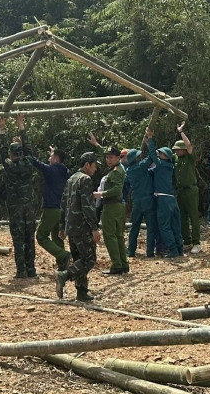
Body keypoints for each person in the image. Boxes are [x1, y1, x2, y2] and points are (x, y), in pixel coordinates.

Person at [0, 113, 38, 279]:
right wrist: (21, 126)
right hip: (29, 206)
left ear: (11, 154)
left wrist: (1, 129)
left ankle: (21, 270)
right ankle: (31, 268)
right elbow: (29, 149)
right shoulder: (28, 163)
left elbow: (1, 152)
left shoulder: (10, 166)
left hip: (15, 208)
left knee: (19, 239)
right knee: (30, 237)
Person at [57, 152, 101, 302]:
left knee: (79, 259)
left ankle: (81, 292)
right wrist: (94, 228)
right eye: (94, 165)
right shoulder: (85, 179)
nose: (95, 169)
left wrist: (62, 226)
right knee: (89, 259)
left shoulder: (71, 179)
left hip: (71, 226)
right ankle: (64, 275)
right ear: (87, 165)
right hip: (82, 226)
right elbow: (88, 206)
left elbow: (63, 203)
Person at [90, 134, 127, 274]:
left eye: (111, 157)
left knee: (110, 236)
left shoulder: (116, 172)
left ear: (118, 158)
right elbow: (106, 151)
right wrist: (96, 144)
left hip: (111, 206)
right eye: (107, 157)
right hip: (116, 206)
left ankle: (117, 265)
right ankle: (123, 264)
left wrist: (101, 194)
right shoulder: (118, 168)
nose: (108, 160)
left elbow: (117, 189)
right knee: (118, 236)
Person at [29, 145, 70, 273]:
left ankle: (63, 255)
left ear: (56, 159)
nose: (49, 158)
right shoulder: (66, 171)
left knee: (41, 236)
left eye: (51, 156)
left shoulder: (51, 171)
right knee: (57, 236)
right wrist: (54, 153)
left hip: (51, 209)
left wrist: (24, 146)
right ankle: (63, 264)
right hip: (61, 209)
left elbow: (35, 161)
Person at [125, 127, 157, 257]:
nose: (141, 156)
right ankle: (149, 252)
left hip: (136, 200)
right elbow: (152, 157)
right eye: (139, 156)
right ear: (136, 159)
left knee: (134, 227)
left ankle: (131, 251)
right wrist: (150, 140)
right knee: (150, 226)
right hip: (147, 199)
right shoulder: (141, 166)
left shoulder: (129, 170)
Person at [149, 142, 183, 257]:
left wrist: (149, 140)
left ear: (166, 156)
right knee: (175, 226)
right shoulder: (169, 166)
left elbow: (152, 155)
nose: (159, 155)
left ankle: (173, 250)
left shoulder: (161, 164)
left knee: (164, 226)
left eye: (161, 153)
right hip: (172, 199)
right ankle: (179, 249)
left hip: (163, 199)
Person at [173, 125, 201, 254]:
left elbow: (189, 145)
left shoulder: (190, 158)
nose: (176, 151)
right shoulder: (176, 159)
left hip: (191, 190)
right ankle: (187, 241)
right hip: (180, 191)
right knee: (182, 217)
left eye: (178, 149)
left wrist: (181, 132)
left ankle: (197, 242)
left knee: (193, 216)